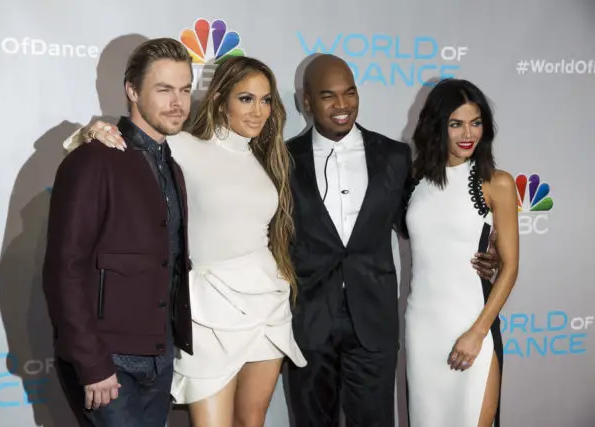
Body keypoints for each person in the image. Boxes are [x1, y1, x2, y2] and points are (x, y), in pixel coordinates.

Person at [63, 55, 306, 427]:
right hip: (208, 309)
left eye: (266, 99)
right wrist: (90, 132)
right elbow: (132, 144)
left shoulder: (268, 158)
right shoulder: (184, 146)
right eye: (246, 98)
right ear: (220, 97)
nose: (259, 111)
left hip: (266, 305)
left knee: (252, 421)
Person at [284, 54, 500, 427]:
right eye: (328, 96)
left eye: (350, 93)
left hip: (375, 323)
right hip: (309, 322)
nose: (342, 105)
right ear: (306, 101)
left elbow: (423, 223)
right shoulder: (283, 159)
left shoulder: (395, 157)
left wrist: (486, 247)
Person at [42, 37, 193, 427]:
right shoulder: (94, 159)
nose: (177, 101)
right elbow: (65, 269)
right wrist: (92, 364)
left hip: (159, 358)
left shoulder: (170, 165)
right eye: (164, 90)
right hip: (108, 365)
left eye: (185, 89)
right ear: (132, 90)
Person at [404, 78, 519, 427]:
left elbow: (510, 267)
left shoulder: (496, 183)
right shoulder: (413, 180)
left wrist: (477, 333)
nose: (468, 133)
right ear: (437, 126)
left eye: (476, 122)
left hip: (472, 324)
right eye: (456, 124)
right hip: (422, 329)